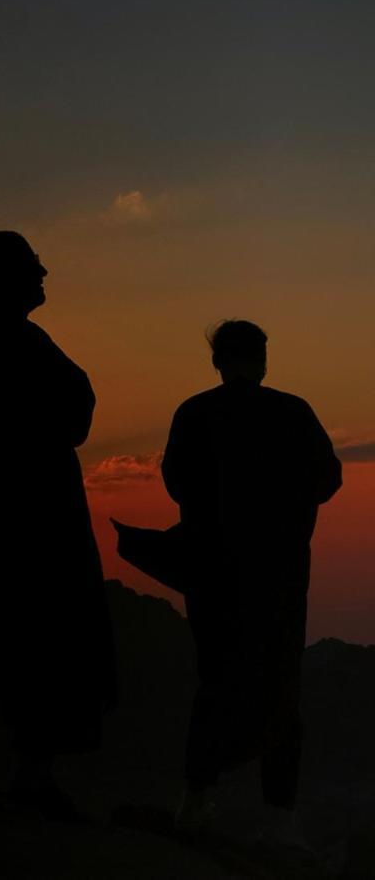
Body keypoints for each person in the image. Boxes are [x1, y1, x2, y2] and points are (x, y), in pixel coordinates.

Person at [0, 231, 116, 819]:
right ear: (5, 276)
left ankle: (34, 771)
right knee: (37, 637)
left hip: (26, 519)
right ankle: (31, 775)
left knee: (39, 639)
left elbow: (71, 404)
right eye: (32, 265)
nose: (45, 271)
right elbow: (66, 410)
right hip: (24, 528)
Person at [162, 320, 341, 845]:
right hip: (280, 575)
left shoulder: (194, 413)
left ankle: (194, 803)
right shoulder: (292, 412)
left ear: (218, 361)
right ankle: (279, 819)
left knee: (216, 683)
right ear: (262, 360)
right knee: (281, 686)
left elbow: (176, 481)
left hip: (213, 574)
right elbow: (327, 478)